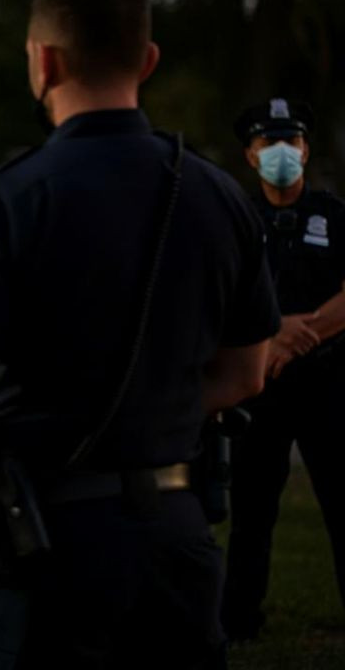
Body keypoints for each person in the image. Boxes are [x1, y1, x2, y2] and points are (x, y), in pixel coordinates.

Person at [0, 0, 281, 668]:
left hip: (44, 535)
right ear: (146, 60)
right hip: (178, 532)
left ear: (44, 62)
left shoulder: (7, 200)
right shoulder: (218, 194)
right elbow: (247, 372)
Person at [221, 98, 345, 641]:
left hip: (329, 384)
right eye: (269, 143)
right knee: (251, 513)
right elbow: (221, 299)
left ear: (305, 148)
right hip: (260, 388)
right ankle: (241, 621)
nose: (281, 153)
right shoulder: (236, 219)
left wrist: (297, 335)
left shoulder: (334, 214)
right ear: (250, 156)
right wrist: (272, 336)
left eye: (290, 142)